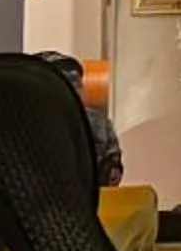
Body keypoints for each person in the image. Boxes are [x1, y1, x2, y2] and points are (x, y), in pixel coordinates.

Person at [35, 51, 126, 185]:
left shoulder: (98, 123)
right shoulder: (31, 124)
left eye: (76, 80)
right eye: (66, 78)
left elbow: (112, 159)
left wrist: (111, 169)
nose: (74, 85)